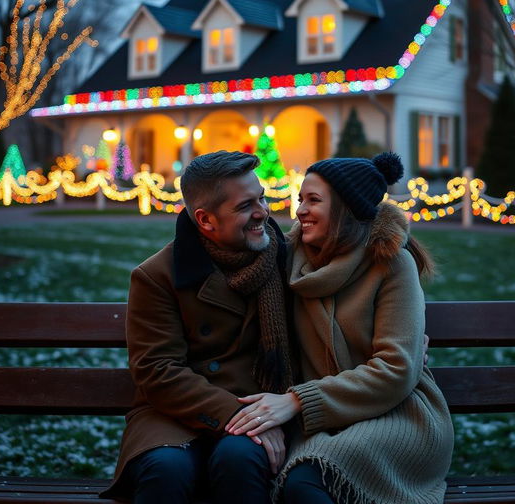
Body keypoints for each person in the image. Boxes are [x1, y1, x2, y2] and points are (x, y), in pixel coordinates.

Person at [225, 152, 454, 504]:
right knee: (292, 480)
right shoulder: (283, 259)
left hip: (394, 416)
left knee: (308, 481)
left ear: (347, 207)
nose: (300, 210)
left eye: (314, 200)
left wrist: (297, 400)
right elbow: (219, 253)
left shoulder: (391, 263)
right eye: (301, 199)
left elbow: (396, 370)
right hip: (321, 422)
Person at [100, 150, 295, 503]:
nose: (263, 212)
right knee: (165, 469)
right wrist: (236, 414)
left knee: (242, 458)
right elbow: (158, 371)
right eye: (245, 205)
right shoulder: (158, 275)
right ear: (205, 220)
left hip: (262, 404)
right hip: (174, 413)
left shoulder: (286, 256)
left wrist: (400, 332)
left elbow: (358, 251)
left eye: (262, 197)